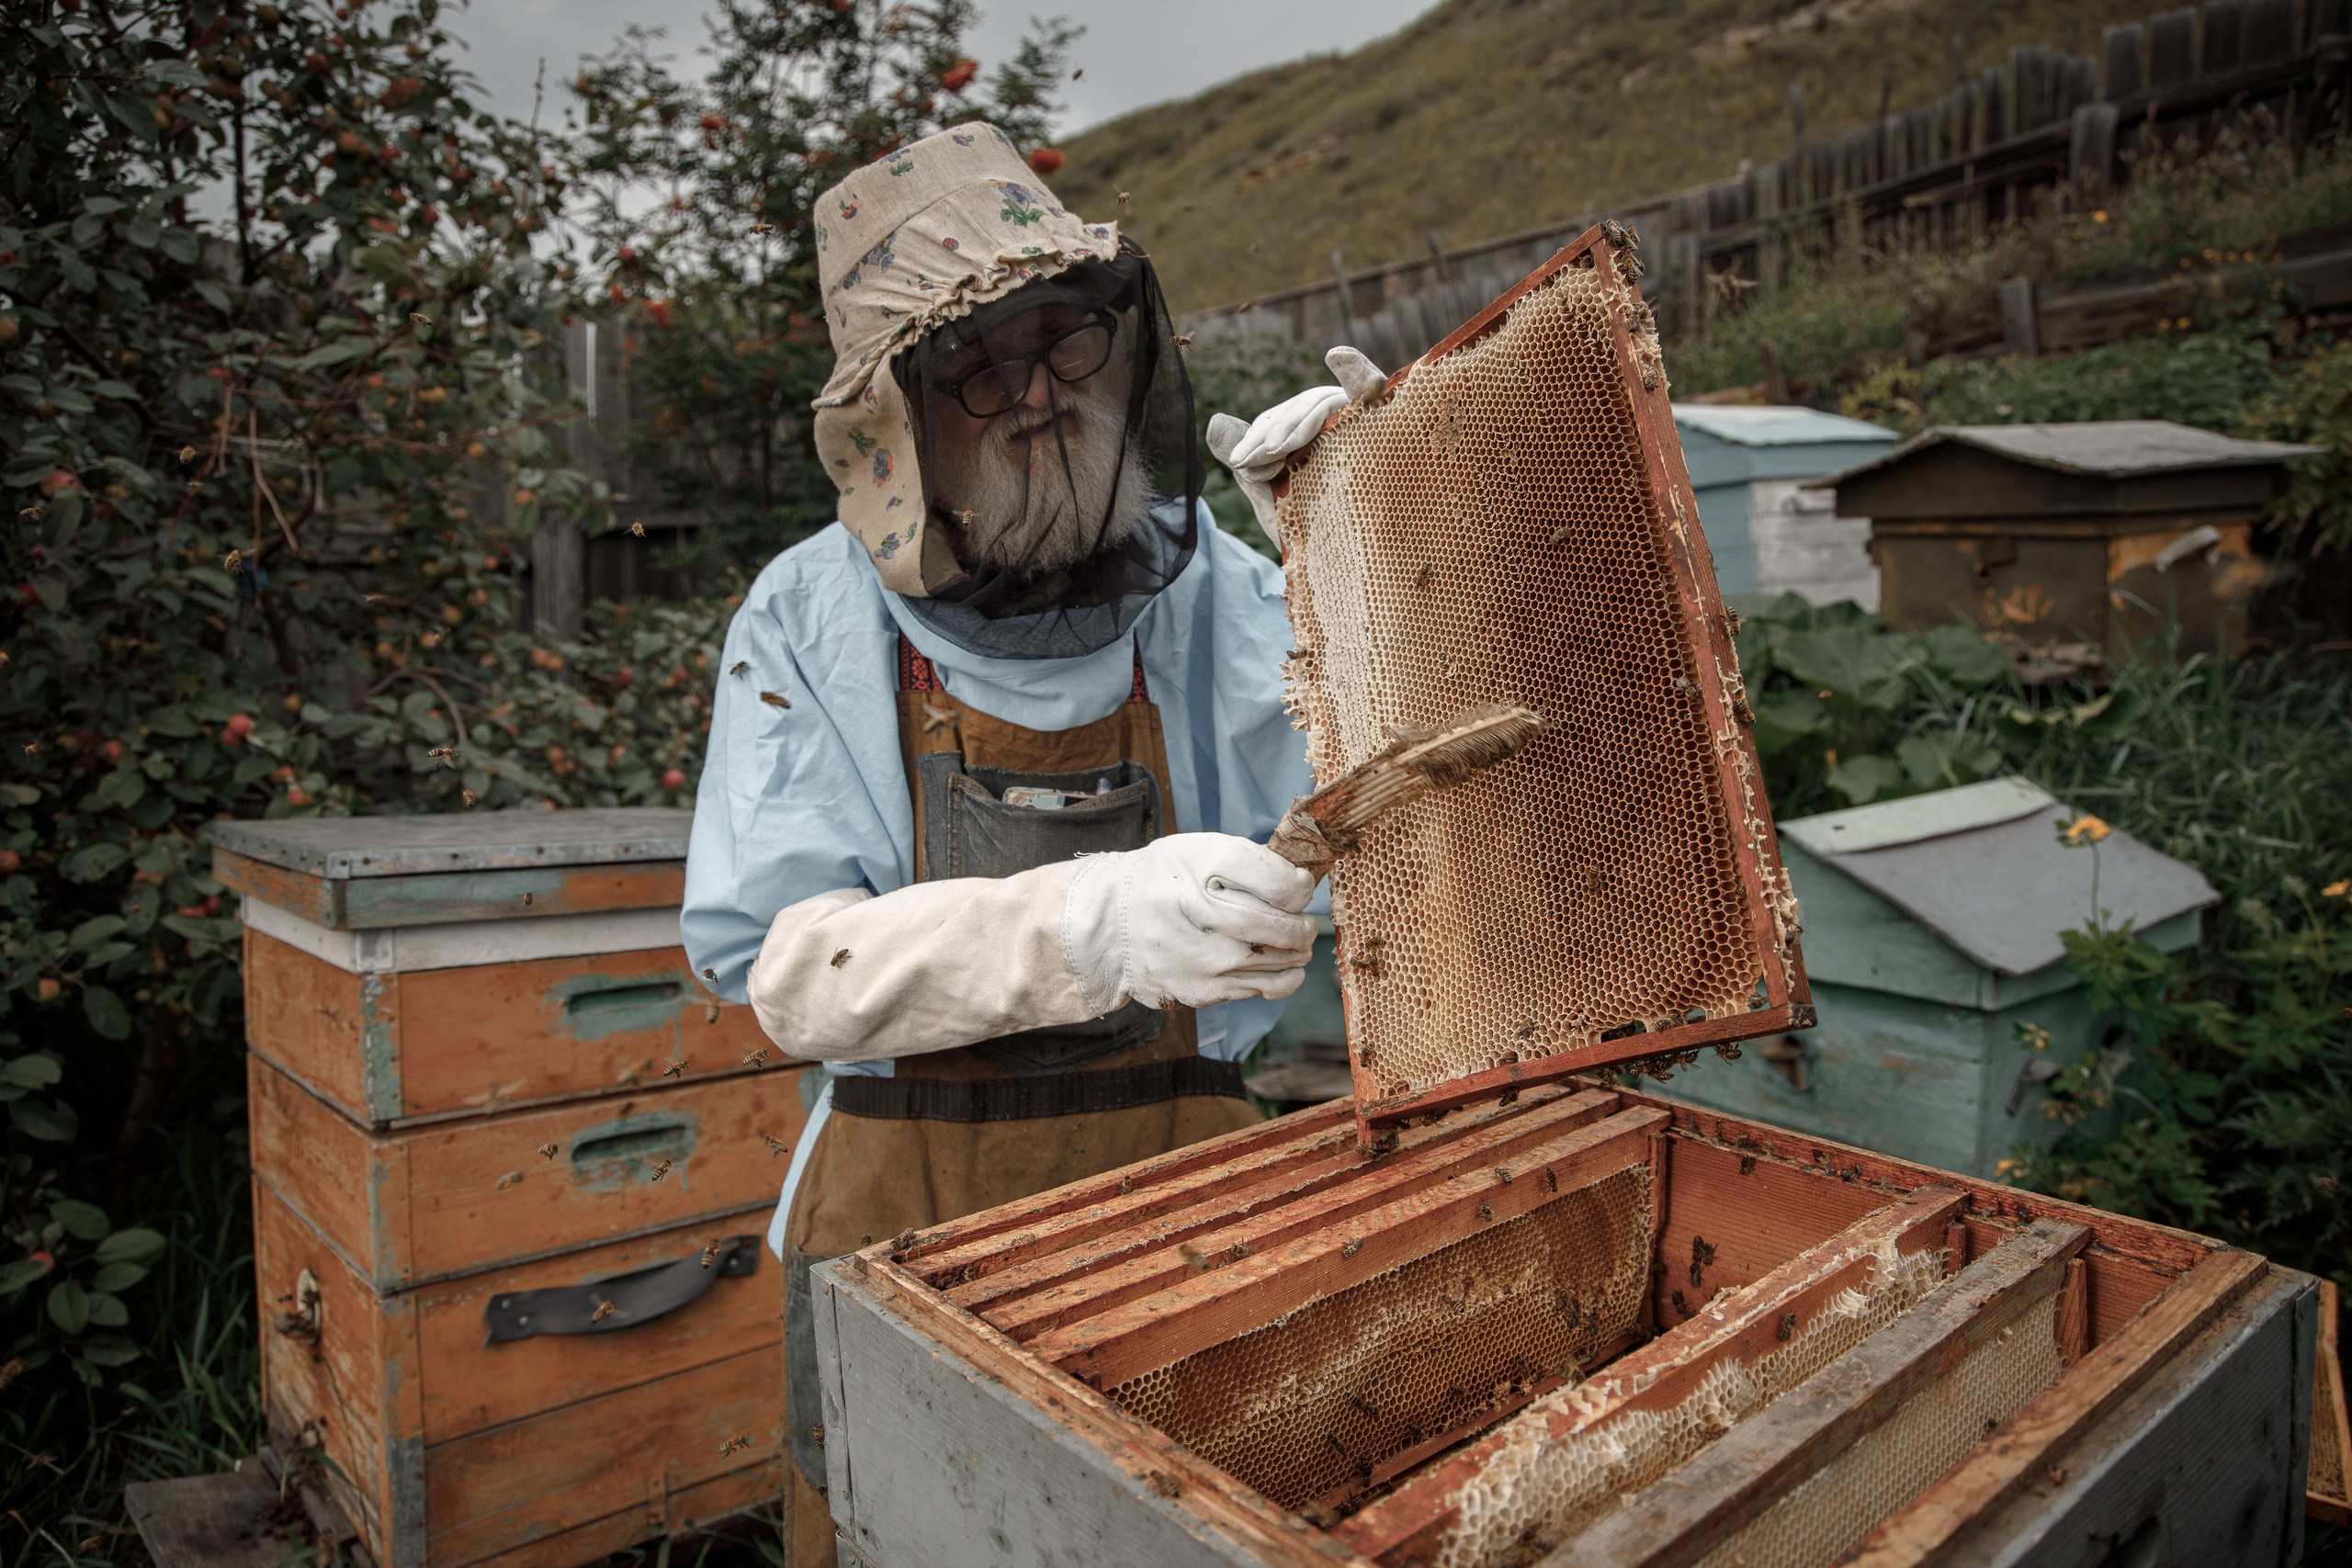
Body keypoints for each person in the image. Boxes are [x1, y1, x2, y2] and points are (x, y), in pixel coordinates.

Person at [681, 122, 1384, 1563]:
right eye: (979, 368)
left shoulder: (1224, 591)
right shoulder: (809, 619)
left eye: (1064, 343)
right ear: (900, 418)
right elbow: (790, 973)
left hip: (1186, 1189)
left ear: (1120, 351)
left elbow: (1387, 805)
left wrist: (1367, 553)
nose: (1037, 397)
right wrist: (1091, 927)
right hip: (902, 1213)